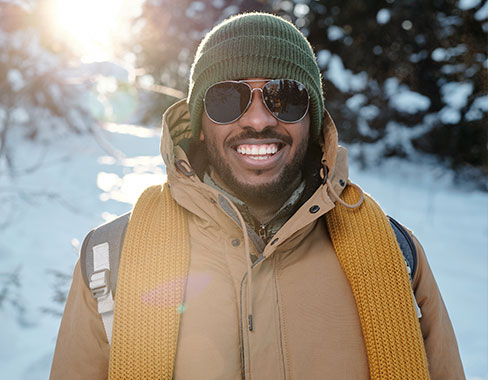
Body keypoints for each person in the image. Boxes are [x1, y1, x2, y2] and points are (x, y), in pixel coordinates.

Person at [50, 12, 465, 380]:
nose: (258, 119)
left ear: (313, 119)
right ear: (197, 123)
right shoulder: (109, 258)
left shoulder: (396, 255)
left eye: (284, 97)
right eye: (227, 98)